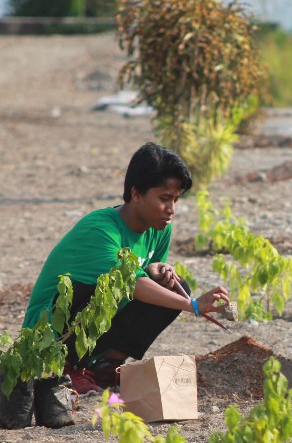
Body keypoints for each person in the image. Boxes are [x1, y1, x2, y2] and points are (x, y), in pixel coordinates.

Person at [22, 142, 229, 397]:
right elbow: (131, 282)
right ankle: (65, 367)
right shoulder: (100, 230)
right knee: (94, 285)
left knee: (172, 284)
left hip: (94, 327)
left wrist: (155, 271)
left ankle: (105, 367)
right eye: (164, 199)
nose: (171, 209)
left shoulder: (159, 228)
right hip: (48, 335)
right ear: (136, 194)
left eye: (175, 199)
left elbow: (144, 281)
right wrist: (193, 306)